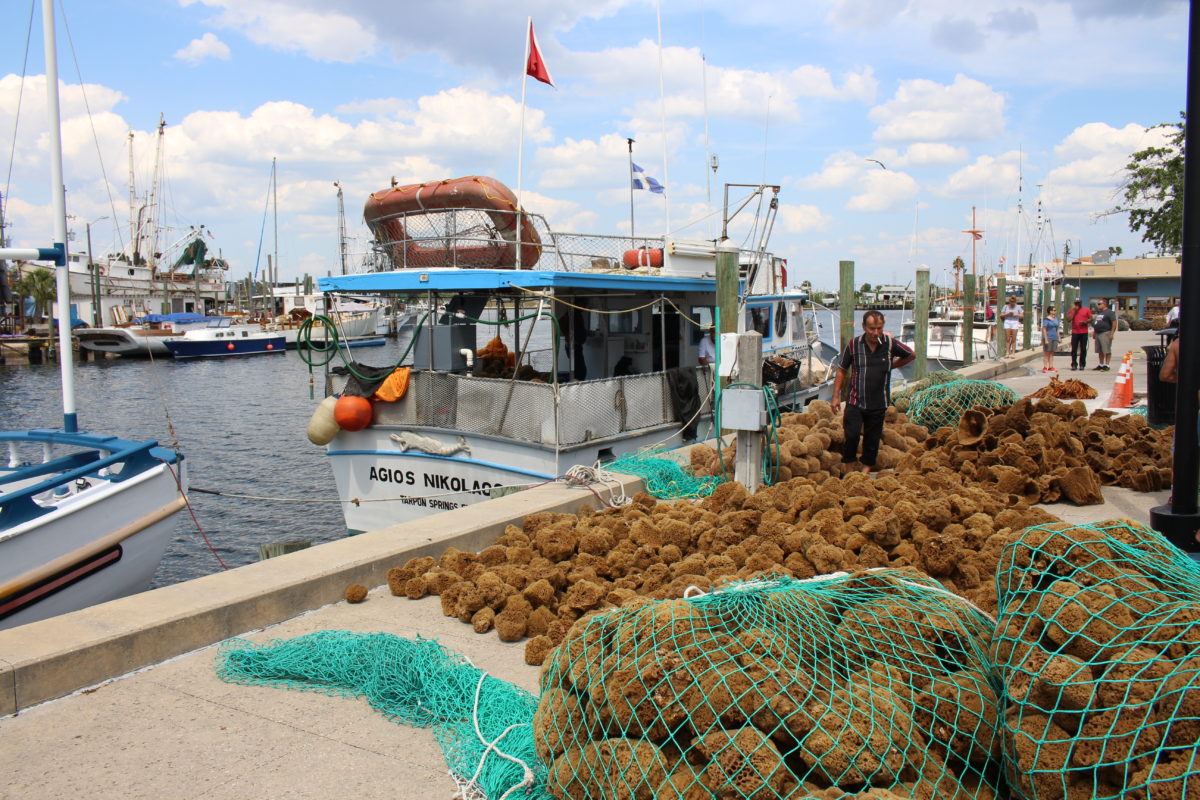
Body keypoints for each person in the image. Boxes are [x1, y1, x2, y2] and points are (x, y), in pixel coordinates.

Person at [831, 311, 915, 473]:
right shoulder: (854, 345)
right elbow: (841, 370)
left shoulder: (890, 344)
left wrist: (892, 365)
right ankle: (849, 470)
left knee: (872, 440)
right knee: (852, 436)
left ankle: (865, 472)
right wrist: (835, 396)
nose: (875, 333)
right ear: (864, 327)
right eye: (872, 329)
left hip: (879, 402)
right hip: (856, 401)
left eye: (879, 328)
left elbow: (911, 354)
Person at [1066, 298, 1092, 371]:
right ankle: (1074, 364)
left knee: (1083, 349)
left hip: (1084, 332)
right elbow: (1068, 320)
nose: (1077, 304)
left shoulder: (1086, 309)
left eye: (1078, 303)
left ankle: (1082, 364)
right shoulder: (1072, 310)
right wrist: (1074, 312)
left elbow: (1091, 318)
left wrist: (1085, 322)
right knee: (1074, 349)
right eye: (1076, 303)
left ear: (1081, 303)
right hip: (1075, 332)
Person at [1092, 298, 1117, 371]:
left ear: (1104, 304)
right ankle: (1101, 364)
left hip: (1105, 333)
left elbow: (1114, 323)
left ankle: (1107, 365)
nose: (1098, 305)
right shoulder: (1100, 313)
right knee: (1100, 351)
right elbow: (1097, 323)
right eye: (1098, 304)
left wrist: (1111, 333)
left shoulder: (1109, 312)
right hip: (1098, 333)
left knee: (1106, 350)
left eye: (1099, 304)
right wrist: (1094, 332)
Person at [1041, 305, 1060, 373]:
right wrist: (1046, 339)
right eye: (1054, 310)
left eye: (1055, 310)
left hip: (1054, 337)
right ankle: (1045, 367)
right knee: (1047, 353)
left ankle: (1051, 366)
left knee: (1052, 353)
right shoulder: (1046, 320)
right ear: (1050, 311)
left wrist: (1059, 338)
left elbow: (1057, 329)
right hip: (1048, 337)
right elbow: (1044, 329)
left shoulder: (1056, 319)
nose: (1055, 311)